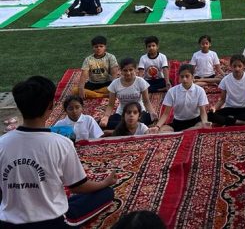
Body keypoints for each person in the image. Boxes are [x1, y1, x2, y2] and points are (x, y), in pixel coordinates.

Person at [0, 76, 115, 227]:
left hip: (7, 222)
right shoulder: (62, 144)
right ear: (51, 106)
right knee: (106, 193)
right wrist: (105, 182)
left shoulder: (2, 143)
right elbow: (78, 187)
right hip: (52, 222)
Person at [101, 57, 158, 130]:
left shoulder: (141, 82)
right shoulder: (115, 84)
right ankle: (127, 127)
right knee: (102, 124)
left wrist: (152, 113)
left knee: (142, 121)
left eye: (131, 70)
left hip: (138, 112)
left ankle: (121, 129)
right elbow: (110, 105)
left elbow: (146, 101)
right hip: (122, 113)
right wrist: (106, 117)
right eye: (125, 70)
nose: (128, 73)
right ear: (120, 70)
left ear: (135, 70)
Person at [151, 64, 211, 133]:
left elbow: (203, 112)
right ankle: (185, 132)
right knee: (161, 131)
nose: (184, 79)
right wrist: (157, 127)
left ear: (192, 77)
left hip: (195, 121)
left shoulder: (200, 90)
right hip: (178, 122)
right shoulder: (172, 91)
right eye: (182, 77)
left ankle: (180, 133)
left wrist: (205, 122)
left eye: (187, 76)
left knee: (201, 126)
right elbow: (165, 114)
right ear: (179, 78)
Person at [209, 54, 245, 125]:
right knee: (210, 115)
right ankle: (241, 122)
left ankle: (231, 120)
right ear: (231, 66)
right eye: (234, 66)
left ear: (244, 66)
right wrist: (214, 108)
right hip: (230, 108)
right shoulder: (225, 80)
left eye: (239, 66)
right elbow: (222, 100)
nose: (237, 69)